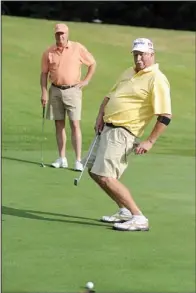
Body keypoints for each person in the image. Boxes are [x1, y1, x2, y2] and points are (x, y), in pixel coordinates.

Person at [86, 38, 172, 231]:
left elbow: (165, 116)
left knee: (106, 176)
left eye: (142, 54)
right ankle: (124, 211)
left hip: (123, 132)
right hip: (106, 128)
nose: (138, 58)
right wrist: (100, 115)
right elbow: (109, 96)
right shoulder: (128, 72)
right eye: (135, 54)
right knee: (93, 169)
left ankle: (138, 217)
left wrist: (150, 141)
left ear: (152, 54)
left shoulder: (157, 78)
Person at [40, 23, 96, 171]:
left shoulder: (77, 48)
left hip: (73, 90)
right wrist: (44, 92)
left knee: (75, 124)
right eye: (58, 34)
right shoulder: (49, 52)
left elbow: (92, 63)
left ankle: (78, 160)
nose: (61, 36)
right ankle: (62, 158)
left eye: (63, 33)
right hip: (55, 90)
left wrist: (86, 81)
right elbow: (44, 73)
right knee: (59, 125)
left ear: (67, 34)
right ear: (55, 35)